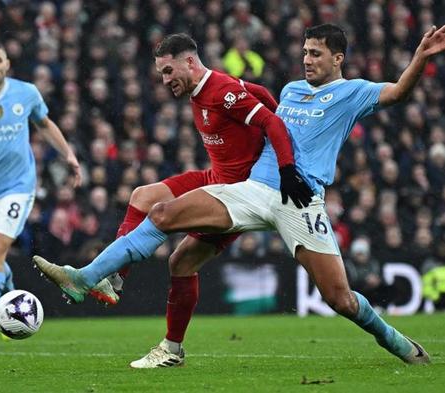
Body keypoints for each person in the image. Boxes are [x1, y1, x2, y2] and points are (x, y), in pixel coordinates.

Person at [34, 23, 443, 367]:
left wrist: (420, 59)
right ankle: (86, 277)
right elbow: (262, 107)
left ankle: (398, 343)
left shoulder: (353, 92)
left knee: (340, 299)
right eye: (305, 51)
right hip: (252, 190)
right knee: (160, 213)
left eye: (316, 53)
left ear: (338, 58)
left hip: (300, 201)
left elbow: (397, 94)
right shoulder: (291, 90)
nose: (307, 59)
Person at [79, 33, 312, 356]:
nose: (164, 80)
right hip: (211, 177)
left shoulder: (223, 93)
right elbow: (256, 93)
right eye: (162, 73)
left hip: (233, 195)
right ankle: (115, 278)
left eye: (168, 71)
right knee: (142, 196)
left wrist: (286, 167)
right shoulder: (205, 88)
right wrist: (269, 103)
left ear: (189, 62)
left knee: (181, 261)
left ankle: (171, 347)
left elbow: (271, 122)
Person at [0, 41, 112, 349]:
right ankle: (14, 311)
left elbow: (45, 124)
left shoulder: (26, 92)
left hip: (19, 187)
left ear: (7, 64)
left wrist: (69, 155)